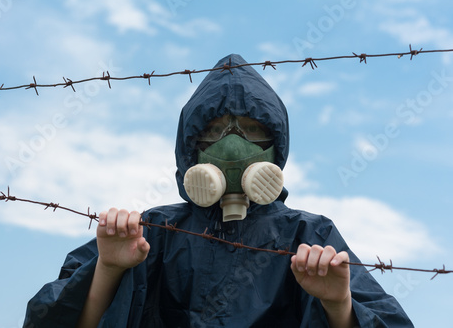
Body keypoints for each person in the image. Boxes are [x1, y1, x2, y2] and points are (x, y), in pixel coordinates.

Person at [24, 54, 413, 327]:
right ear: (190, 147)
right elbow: (55, 320)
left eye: (252, 128)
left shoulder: (308, 237)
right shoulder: (150, 232)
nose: (232, 144)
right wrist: (108, 268)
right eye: (214, 129)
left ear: (276, 146)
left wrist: (338, 303)